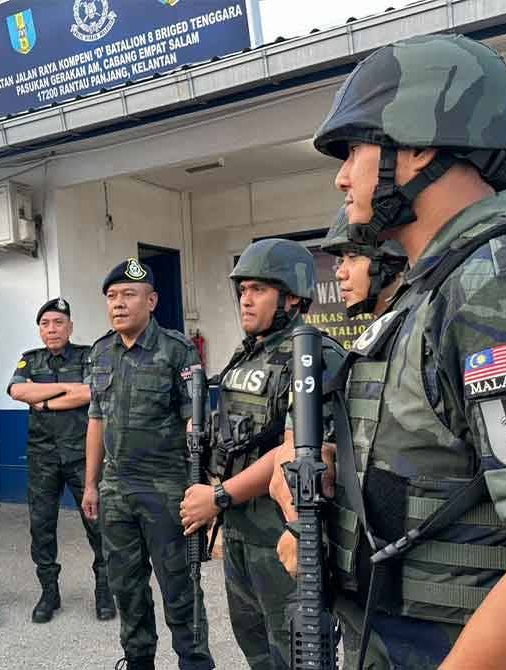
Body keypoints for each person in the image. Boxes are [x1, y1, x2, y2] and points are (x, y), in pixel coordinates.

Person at [268, 34, 506, 669]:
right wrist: (338, 485)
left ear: (419, 145)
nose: (341, 176)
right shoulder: (436, 290)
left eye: (354, 149)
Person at [177, 239, 345, 669]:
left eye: (258, 290)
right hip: (239, 532)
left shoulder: (312, 355)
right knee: (257, 650)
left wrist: (217, 497)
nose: (246, 300)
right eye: (242, 291)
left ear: (292, 297)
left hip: (282, 535)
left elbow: (294, 451)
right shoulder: (247, 354)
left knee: (296, 654)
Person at [82, 258, 214, 670]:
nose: (118, 303)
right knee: (127, 588)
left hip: (166, 489)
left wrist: (203, 484)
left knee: (180, 588)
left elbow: (195, 419)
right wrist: (91, 484)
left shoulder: (177, 350)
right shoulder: (101, 351)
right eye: (112, 296)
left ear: (152, 301)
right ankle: (139, 661)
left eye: (129, 295)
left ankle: (195, 663)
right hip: (115, 490)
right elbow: (96, 420)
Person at [8, 297, 114, 624]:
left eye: (58, 323)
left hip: (83, 455)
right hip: (42, 457)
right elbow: (16, 391)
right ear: (39, 330)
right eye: (45, 324)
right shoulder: (30, 359)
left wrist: (43, 400)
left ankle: (104, 590)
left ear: (70, 327)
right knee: (41, 526)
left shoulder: (88, 355)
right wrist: (69, 389)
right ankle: (48, 592)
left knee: (98, 524)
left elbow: (92, 392)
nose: (52, 329)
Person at [322, 207, 406, 320]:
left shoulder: (422, 322)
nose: (339, 274)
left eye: (353, 256)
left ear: (391, 263)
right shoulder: (392, 324)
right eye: (341, 261)